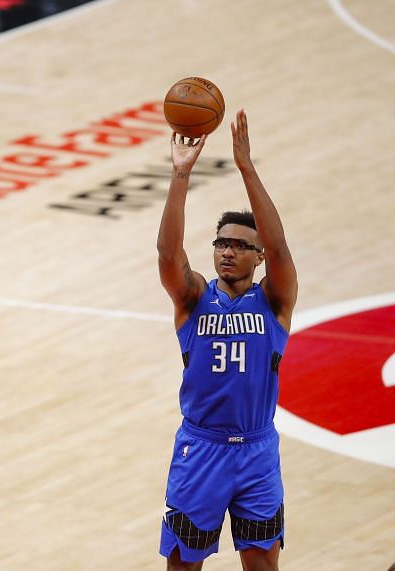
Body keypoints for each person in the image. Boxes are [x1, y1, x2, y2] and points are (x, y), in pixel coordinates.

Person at [156, 110, 298, 570]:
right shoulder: (193, 296)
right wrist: (181, 174)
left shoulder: (274, 300)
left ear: (258, 258)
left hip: (257, 451)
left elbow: (281, 249)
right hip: (202, 449)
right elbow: (167, 252)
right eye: (220, 243)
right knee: (183, 566)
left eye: (238, 245)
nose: (227, 251)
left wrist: (246, 168)